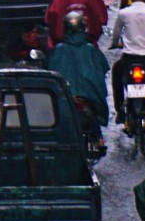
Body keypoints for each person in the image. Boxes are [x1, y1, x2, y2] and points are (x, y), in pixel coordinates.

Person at [46, 10, 110, 149]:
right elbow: (103, 69)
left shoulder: (57, 51)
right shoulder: (92, 50)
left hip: (65, 101)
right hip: (88, 100)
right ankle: (99, 138)